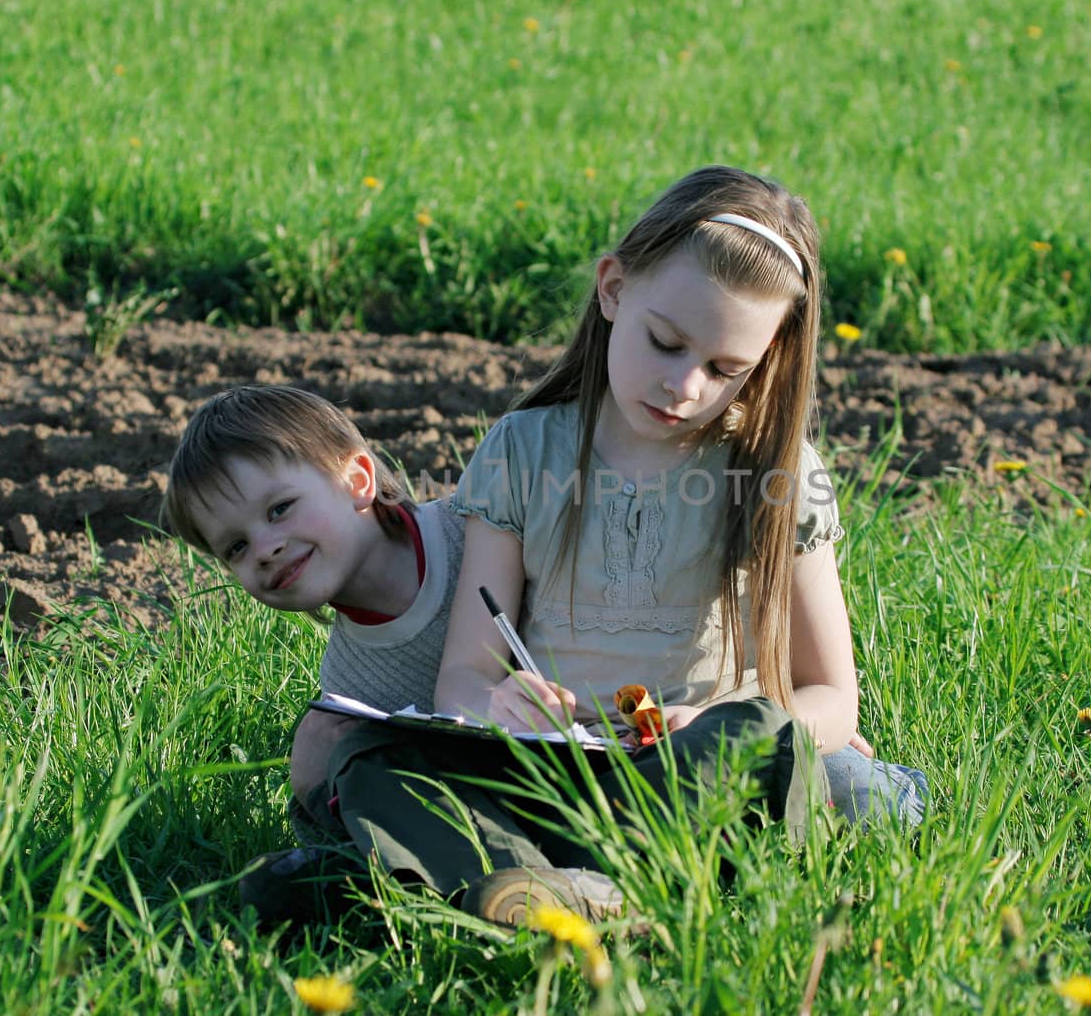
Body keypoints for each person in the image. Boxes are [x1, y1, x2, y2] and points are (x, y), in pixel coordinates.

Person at [328, 166, 925, 925]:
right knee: (372, 765)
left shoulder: (776, 472)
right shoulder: (523, 450)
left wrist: (719, 731)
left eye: (724, 370)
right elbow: (466, 679)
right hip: (561, 772)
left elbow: (832, 698)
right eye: (665, 343)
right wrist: (501, 704)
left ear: (766, 358)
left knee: (839, 780)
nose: (684, 385)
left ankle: (549, 881)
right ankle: (621, 883)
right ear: (613, 289)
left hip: (702, 774)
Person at [160, 384, 466, 923]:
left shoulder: (473, 533)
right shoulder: (351, 685)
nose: (264, 548)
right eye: (235, 547)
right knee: (333, 752)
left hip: (604, 736)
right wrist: (319, 786)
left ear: (357, 482)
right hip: (490, 800)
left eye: (279, 509)